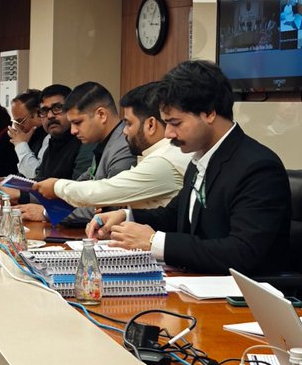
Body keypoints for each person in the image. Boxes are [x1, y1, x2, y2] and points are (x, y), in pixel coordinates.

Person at [88, 60, 290, 275]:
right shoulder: (199, 159)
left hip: (238, 292)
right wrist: (126, 216)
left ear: (209, 113)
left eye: (176, 123)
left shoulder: (258, 168)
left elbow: (242, 252)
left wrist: (154, 242)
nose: (168, 134)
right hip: (196, 280)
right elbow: (174, 216)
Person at [32, 81, 191, 210]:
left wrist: (57, 187)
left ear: (150, 125)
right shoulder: (153, 154)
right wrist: (123, 215)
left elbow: (105, 191)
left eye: (129, 124)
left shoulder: (163, 161)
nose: (124, 131)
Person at [20, 81, 136, 224]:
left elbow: (107, 207)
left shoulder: (124, 147)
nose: (73, 131)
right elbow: (76, 188)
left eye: (77, 122)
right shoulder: (105, 142)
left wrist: (46, 213)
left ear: (101, 115)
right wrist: (24, 196)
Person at [9, 89, 47, 178]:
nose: (18, 126)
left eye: (21, 121)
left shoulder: (50, 137)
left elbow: (36, 176)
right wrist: (3, 180)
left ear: (38, 113)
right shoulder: (32, 136)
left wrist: (21, 145)